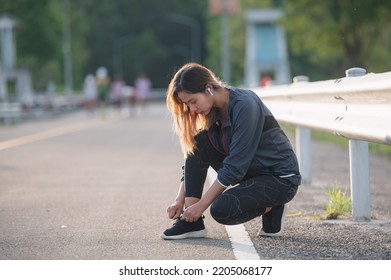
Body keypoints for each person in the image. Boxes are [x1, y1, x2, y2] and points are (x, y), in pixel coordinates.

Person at [161, 63, 301, 240]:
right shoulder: (211, 111)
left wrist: (202, 206)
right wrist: (180, 200)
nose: (192, 109)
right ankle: (191, 223)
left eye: (193, 101)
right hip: (250, 173)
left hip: (279, 178)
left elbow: (234, 166)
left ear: (209, 88)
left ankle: (274, 205)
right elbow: (195, 156)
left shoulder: (245, 104)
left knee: (222, 210)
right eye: (188, 105)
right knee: (198, 142)